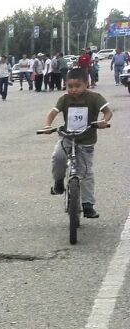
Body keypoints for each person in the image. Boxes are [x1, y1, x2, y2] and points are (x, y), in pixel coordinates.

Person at [42, 68, 113, 219]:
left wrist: (103, 121)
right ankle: (58, 182)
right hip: (68, 137)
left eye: (77, 86)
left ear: (86, 84)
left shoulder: (94, 98)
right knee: (58, 157)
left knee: (86, 172)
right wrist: (47, 125)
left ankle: (88, 204)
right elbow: (52, 113)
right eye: (70, 86)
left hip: (86, 140)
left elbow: (108, 112)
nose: (73, 89)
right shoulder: (64, 99)